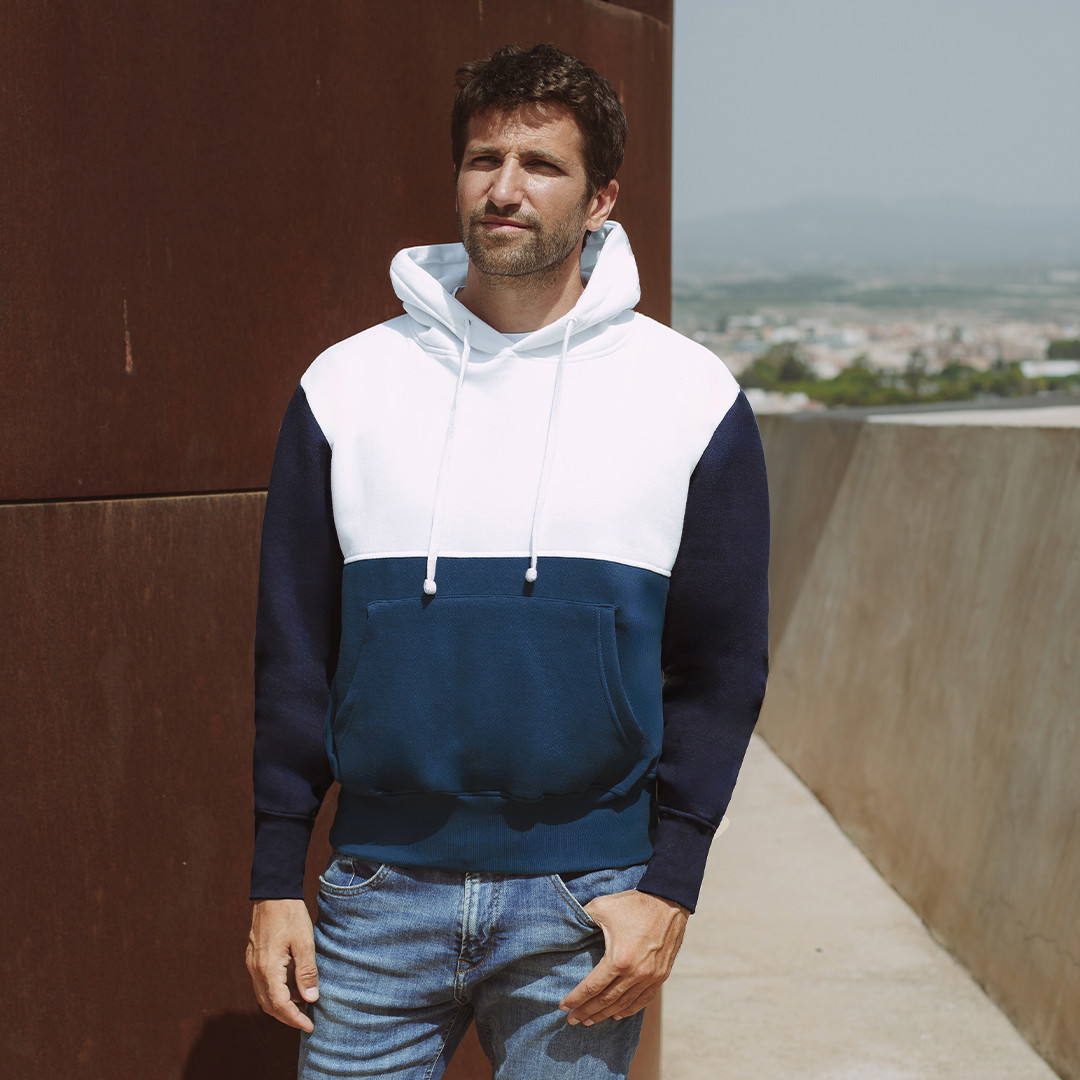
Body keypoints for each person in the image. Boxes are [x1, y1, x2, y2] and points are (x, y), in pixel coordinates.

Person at [246, 42, 769, 1080]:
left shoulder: (689, 396)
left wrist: (672, 883)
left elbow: (723, 665)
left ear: (601, 197)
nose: (505, 188)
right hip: (378, 890)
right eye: (485, 159)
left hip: (585, 899)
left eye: (542, 164)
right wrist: (273, 876)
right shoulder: (347, 385)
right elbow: (293, 652)